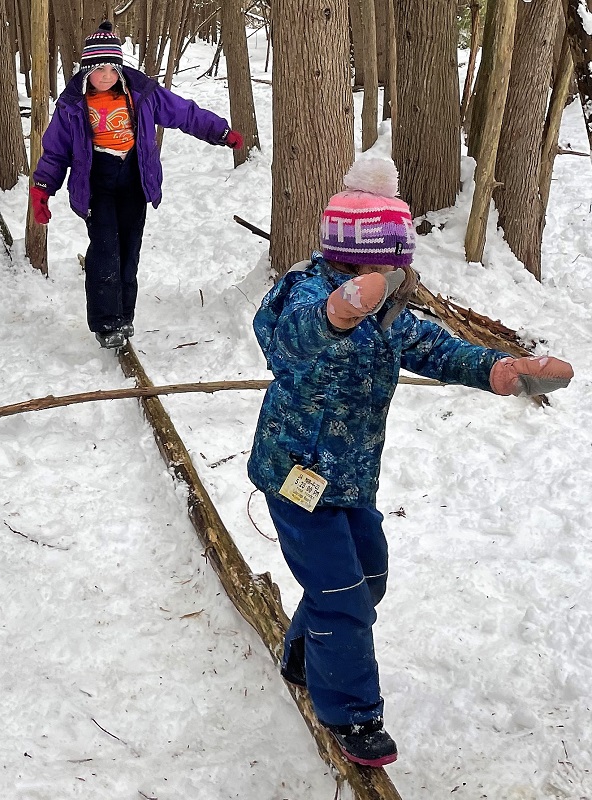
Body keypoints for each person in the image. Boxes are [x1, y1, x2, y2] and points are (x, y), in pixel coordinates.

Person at [247, 158, 574, 768]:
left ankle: (302, 651)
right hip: (294, 476)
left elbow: (438, 348)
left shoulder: (392, 312)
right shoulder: (306, 293)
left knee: (367, 580)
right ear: (352, 256)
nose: (398, 273)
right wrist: (336, 314)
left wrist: (499, 370)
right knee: (341, 593)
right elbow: (283, 340)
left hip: (350, 481)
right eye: (388, 262)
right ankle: (352, 713)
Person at [30, 21, 244, 349]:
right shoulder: (72, 105)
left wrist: (218, 131)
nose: (105, 75)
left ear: (120, 68)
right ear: (86, 70)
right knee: (105, 248)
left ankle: (124, 317)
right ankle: (106, 322)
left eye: (112, 68)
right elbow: (56, 151)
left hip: (133, 180)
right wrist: (42, 189)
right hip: (95, 183)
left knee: (129, 249)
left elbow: (183, 112)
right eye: (97, 68)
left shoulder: (141, 94)